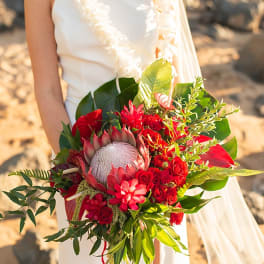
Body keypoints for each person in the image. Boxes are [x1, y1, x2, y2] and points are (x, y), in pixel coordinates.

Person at [24, 0, 264, 263]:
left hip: (154, 157)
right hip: (78, 153)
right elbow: (47, 91)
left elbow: (169, 77)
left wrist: (160, 166)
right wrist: (79, 172)